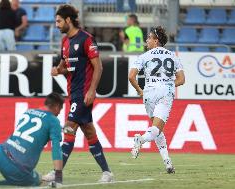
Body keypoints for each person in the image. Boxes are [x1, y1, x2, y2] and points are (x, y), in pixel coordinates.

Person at [44, 4, 114, 183]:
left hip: (84, 94)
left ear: (68, 20)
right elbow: (65, 66)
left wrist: (92, 90)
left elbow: (98, 66)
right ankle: (107, 172)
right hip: (72, 93)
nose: (57, 25)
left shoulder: (86, 39)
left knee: (68, 128)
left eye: (59, 21)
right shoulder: (65, 42)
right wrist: (57, 70)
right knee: (89, 133)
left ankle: (57, 174)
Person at [0, 92, 64, 187]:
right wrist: (58, 176)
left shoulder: (28, 111)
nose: (59, 113)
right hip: (17, 169)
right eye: (60, 109)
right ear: (56, 106)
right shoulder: (53, 120)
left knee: (2, 150)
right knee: (36, 180)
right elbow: (56, 149)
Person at [128, 26, 185, 174]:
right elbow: (181, 79)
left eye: (149, 38)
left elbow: (131, 76)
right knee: (155, 130)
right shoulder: (173, 56)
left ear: (156, 40)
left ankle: (168, 163)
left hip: (148, 93)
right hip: (164, 92)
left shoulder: (144, 56)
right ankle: (140, 140)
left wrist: (139, 91)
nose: (146, 40)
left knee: (157, 129)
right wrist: (168, 83)